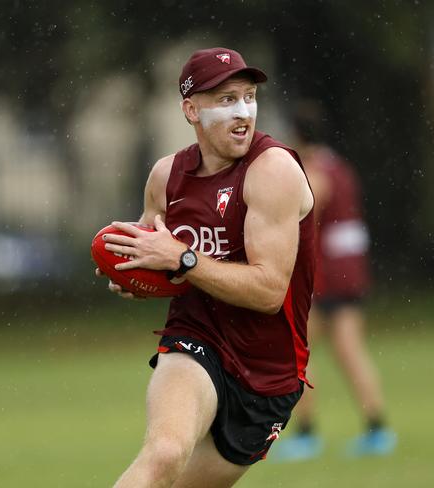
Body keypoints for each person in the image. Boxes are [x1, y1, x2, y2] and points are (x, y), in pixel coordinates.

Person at [96, 47, 316, 487]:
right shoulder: (166, 177)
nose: (243, 112)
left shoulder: (273, 170)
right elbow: (149, 256)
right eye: (225, 100)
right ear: (190, 110)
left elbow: (269, 292)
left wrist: (182, 258)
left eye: (248, 96)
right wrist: (133, 274)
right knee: (164, 454)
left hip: (268, 375)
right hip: (196, 340)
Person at [269, 101, 397, 462]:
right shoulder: (340, 166)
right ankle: (377, 428)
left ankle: (307, 435)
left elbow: (301, 217)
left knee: (298, 356)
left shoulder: (312, 173)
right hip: (351, 274)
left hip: (325, 278)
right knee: (350, 352)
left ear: (296, 135)